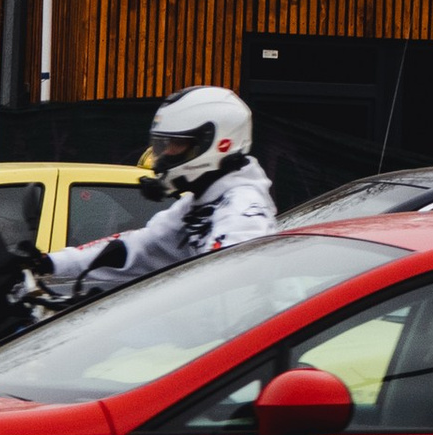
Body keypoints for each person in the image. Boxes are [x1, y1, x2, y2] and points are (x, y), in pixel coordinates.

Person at [44, 86, 279, 295]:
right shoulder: (199, 204)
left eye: (176, 145)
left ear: (219, 144)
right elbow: (137, 247)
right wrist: (48, 264)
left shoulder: (242, 213)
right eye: (163, 145)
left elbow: (223, 295)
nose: (165, 155)